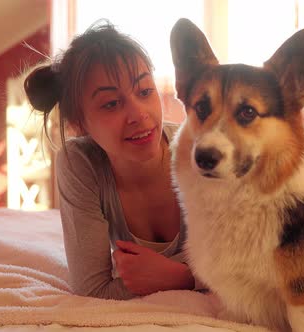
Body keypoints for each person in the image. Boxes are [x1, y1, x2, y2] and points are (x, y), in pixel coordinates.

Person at [23, 20, 195, 299]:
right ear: (78, 123)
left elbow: (252, 264)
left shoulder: (199, 153)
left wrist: (181, 277)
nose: (139, 114)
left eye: (144, 91)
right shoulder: (81, 163)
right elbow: (92, 288)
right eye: (112, 104)